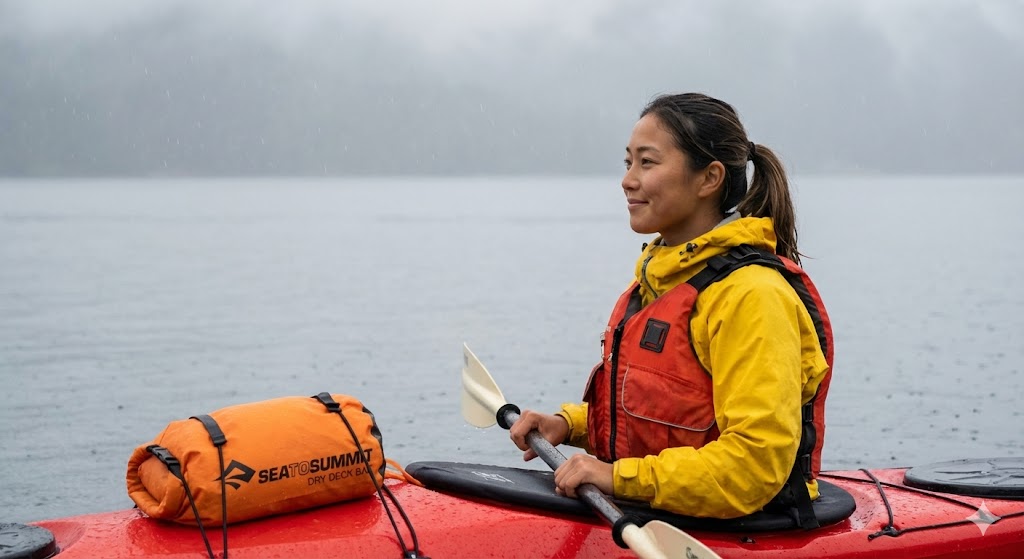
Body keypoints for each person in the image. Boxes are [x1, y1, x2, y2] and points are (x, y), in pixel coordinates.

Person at [509, 92, 834, 524]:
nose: (627, 179)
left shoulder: (753, 296)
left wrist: (618, 479)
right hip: (664, 511)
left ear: (709, 178)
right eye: (628, 163)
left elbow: (753, 466)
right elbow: (666, 414)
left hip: (746, 527)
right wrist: (570, 425)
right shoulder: (661, 279)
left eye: (647, 162)